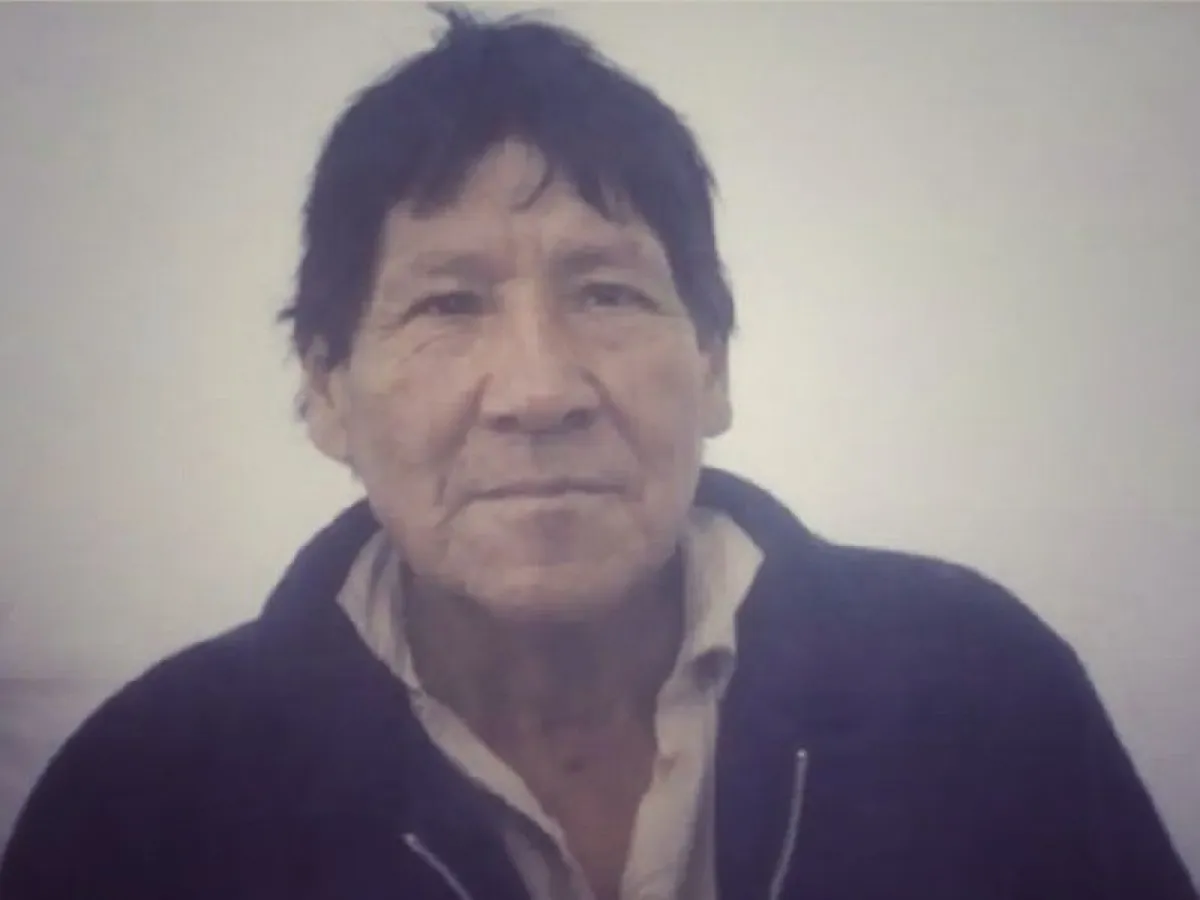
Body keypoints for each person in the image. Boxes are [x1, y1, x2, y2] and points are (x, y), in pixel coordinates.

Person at [1, 8, 1194, 900]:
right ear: (325, 392)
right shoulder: (150, 800)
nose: (540, 392)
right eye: (448, 304)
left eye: (609, 293)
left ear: (712, 366)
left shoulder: (977, 694)